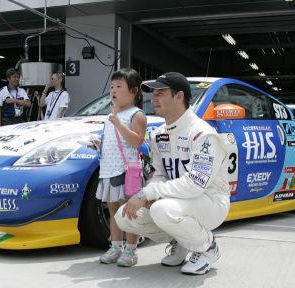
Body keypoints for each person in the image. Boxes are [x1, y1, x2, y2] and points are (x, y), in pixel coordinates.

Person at [116, 72, 230, 275]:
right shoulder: (158, 134)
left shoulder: (203, 134)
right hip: (176, 200)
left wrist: (146, 194)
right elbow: (159, 174)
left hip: (210, 201)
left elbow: (195, 184)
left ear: (179, 96)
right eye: (154, 93)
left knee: (162, 209)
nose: (154, 98)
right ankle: (183, 241)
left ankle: (207, 247)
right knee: (124, 216)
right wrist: (150, 193)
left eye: (161, 93)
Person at [96, 69, 147, 267]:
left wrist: (117, 123)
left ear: (133, 91)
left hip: (127, 171)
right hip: (109, 169)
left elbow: (136, 142)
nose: (113, 91)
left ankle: (131, 250)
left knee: (129, 211)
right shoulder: (112, 115)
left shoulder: (137, 114)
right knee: (113, 210)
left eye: (119, 87)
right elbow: (112, 141)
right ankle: (115, 246)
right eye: (111, 87)